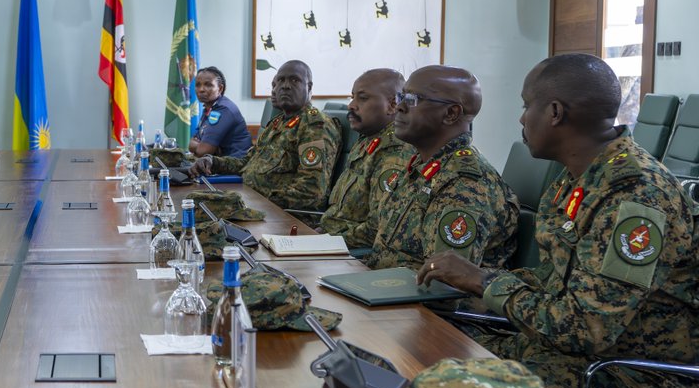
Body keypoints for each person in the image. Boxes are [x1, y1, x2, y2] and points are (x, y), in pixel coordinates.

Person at [416, 55, 699, 388]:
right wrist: (478, 275)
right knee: (432, 351)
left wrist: (484, 282)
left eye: (525, 105)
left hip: (631, 379)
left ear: (553, 112)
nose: (520, 119)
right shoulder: (579, 177)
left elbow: (583, 328)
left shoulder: (634, 195)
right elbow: (556, 286)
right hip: (566, 355)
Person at [365, 65, 517, 270]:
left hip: (412, 300)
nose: (400, 107)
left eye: (412, 100)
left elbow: (443, 283)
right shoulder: (421, 166)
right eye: (402, 97)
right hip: (380, 287)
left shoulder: (464, 184)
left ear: (451, 113)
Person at [190, 60, 340, 212]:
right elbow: (247, 162)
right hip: (253, 201)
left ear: (309, 87)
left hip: (283, 215)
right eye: (280, 80)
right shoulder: (278, 123)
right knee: (192, 205)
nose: (285, 86)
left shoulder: (315, 126)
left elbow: (311, 191)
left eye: (294, 80)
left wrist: (256, 201)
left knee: (196, 216)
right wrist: (213, 162)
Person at [319, 69, 413, 249]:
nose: (351, 105)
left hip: (351, 254)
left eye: (362, 98)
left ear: (393, 105)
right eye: (352, 97)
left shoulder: (395, 152)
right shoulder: (367, 140)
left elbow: (377, 229)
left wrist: (326, 241)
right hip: (331, 240)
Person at [188, 66, 251, 158]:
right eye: (198, 85)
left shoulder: (223, 110)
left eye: (208, 85)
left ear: (220, 89)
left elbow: (203, 151)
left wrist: (200, 146)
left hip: (235, 164)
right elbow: (192, 142)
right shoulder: (209, 108)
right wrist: (200, 146)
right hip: (217, 162)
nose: (201, 89)